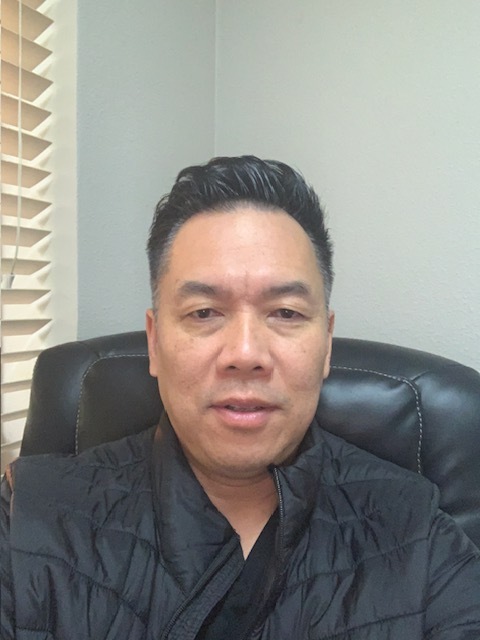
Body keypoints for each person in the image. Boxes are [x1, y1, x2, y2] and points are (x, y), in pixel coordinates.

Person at [1, 156, 479, 639]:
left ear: (327, 343)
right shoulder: (26, 517)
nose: (246, 354)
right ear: (155, 342)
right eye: (204, 312)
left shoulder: (420, 536)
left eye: (286, 313)